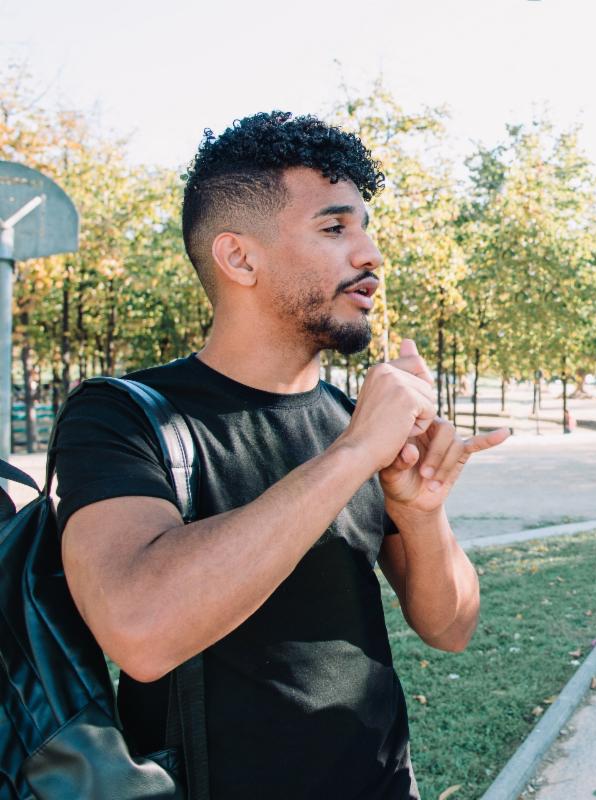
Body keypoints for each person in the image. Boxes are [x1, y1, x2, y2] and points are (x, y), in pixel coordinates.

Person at [50, 111, 508, 799]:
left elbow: (450, 627)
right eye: (334, 228)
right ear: (239, 258)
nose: (370, 254)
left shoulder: (349, 422)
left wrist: (421, 512)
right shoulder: (120, 415)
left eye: (365, 226)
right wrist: (352, 455)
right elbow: (139, 631)